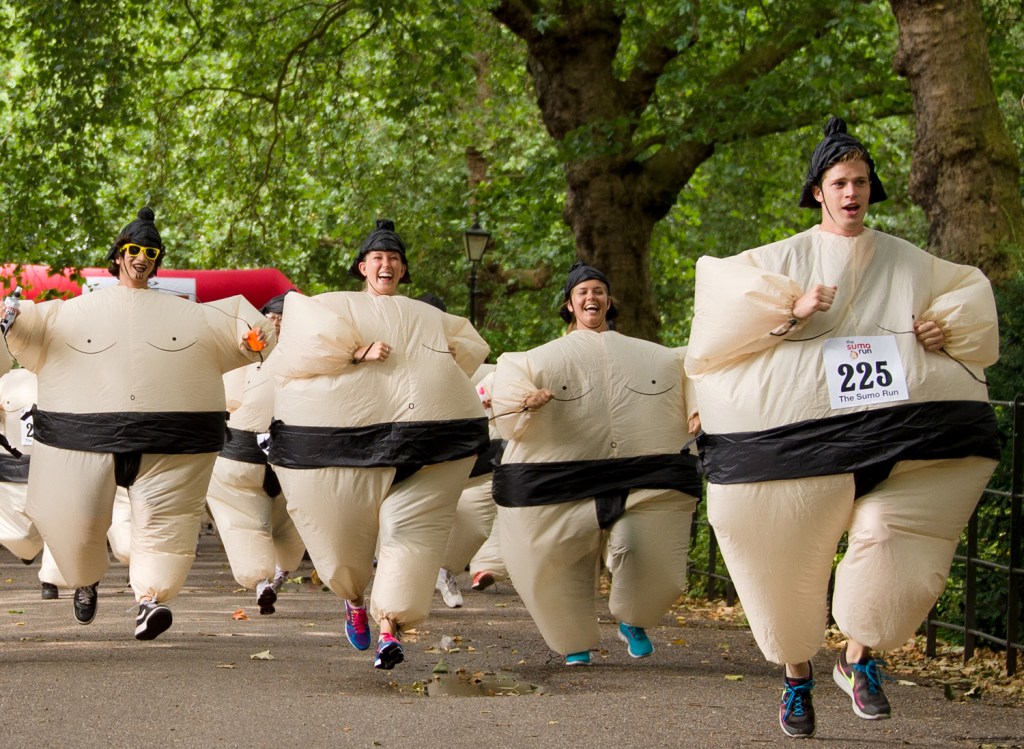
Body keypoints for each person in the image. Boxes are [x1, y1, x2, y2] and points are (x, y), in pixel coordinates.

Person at [684, 117, 1001, 739]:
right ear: (818, 192)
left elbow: (968, 294)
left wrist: (945, 327)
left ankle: (859, 659)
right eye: (839, 182)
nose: (852, 192)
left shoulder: (908, 263)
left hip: (905, 440)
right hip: (796, 448)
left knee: (893, 542)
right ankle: (797, 679)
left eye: (860, 181)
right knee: (779, 557)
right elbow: (712, 332)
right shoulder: (779, 261)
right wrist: (789, 312)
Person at [2, 207, 274, 640]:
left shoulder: (189, 317)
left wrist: (251, 336)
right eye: (134, 249)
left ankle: (152, 600)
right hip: (84, 438)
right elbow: (33, 328)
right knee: (78, 523)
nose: (142, 258)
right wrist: (15, 321)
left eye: (150, 251)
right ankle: (84, 580)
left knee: (166, 525)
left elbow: (240, 330)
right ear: (118, 255)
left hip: (167, 441)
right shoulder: (74, 312)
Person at [268, 218, 489, 669]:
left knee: (413, 534)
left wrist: (442, 371)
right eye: (378, 258)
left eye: (394, 260)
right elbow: (294, 353)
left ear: (403, 271)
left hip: (428, 445)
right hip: (346, 446)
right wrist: (353, 353)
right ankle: (352, 598)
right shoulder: (334, 308)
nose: (386, 265)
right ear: (362, 267)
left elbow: (470, 347)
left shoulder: (430, 317)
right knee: (343, 544)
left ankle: (391, 627)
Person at [490, 261, 702, 665]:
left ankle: (634, 618)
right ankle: (574, 641)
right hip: (562, 476)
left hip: (644, 472)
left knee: (644, 547)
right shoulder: (536, 361)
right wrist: (524, 402)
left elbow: (693, 373)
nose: (592, 297)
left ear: (608, 301)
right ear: (569, 305)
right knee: (557, 558)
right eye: (583, 292)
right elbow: (509, 404)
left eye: (599, 291)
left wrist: (696, 411)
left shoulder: (657, 359)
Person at [206, 290, 305, 615]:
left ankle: (278, 575)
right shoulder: (240, 352)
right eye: (272, 318)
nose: (276, 325)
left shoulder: (308, 358)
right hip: (241, 451)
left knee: (293, 520)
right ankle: (262, 581)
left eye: (283, 320)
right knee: (245, 522)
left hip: (293, 454)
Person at [434, 364, 509, 608]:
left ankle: (444, 572)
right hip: (447, 459)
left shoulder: (501, 379)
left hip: (488, 466)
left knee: (476, 526)